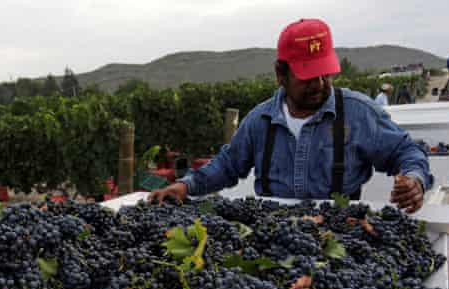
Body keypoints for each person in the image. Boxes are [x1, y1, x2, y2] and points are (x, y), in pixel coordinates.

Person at [148, 18, 432, 213]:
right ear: (280, 75)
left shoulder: (359, 114)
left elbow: (406, 152)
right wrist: (185, 186)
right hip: (273, 234)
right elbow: (227, 165)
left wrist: (414, 179)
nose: (319, 85)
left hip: (339, 233)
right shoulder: (259, 121)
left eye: (325, 74)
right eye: (308, 77)